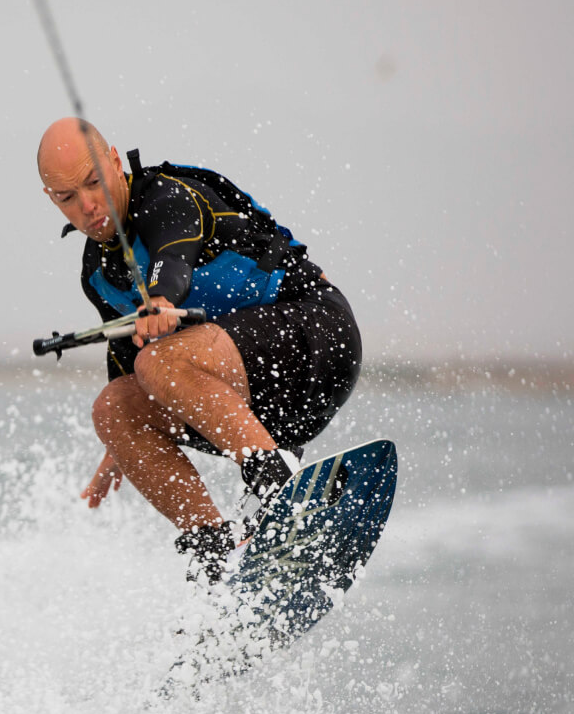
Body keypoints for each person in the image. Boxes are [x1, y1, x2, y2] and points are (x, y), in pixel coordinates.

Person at [37, 117, 361, 580]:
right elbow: (126, 367)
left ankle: (278, 484)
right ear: (52, 200)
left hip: (316, 339)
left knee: (160, 360)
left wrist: (163, 299)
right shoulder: (99, 273)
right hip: (250, 402)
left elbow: (174, 257)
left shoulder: (166, 198)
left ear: (114, 162)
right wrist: (120, 450)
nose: (88, 206)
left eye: (94, 182)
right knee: (112, 408)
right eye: (68, 197)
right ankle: (216, 553)